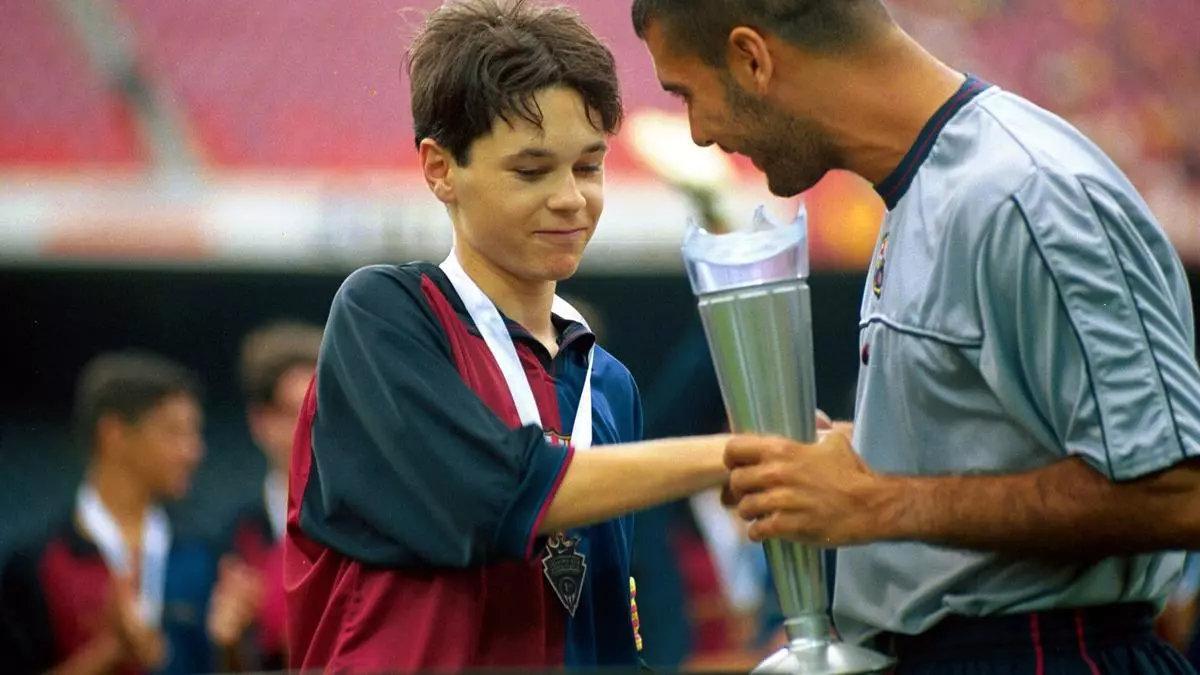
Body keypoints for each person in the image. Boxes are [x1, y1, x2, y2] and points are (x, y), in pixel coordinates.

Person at [632, 0, 1200, 670]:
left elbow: (1177, 490)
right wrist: (859, 460)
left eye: (689, 95)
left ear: (752, 58)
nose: (697, 133)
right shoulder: (928, 187)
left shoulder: (1022, 190)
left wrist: (879, 500)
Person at [283, 1, 737, 670]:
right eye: (531, 171)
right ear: (440, 168)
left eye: (588, 166)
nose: (570, 198)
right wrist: (737, 457)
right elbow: (495, 496)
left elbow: (610, 630)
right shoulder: (385, 317)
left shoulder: (608, 385)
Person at [0, 351, 214, 674]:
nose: (194, 451)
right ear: (113, 434)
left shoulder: (204, 552)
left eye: (194, 433)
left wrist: (230, 645)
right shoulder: (36, 565)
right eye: (174, 432)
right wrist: (110, 653)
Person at [206, 322, 324, 670]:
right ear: (261, 421)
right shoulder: (230, 540)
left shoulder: (372, 531)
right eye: (296, 413)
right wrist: (229, 646)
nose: (313, 428)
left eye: (322, 410)